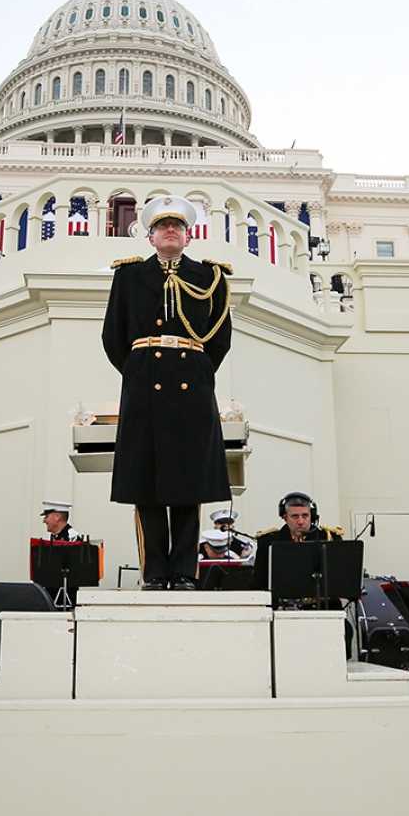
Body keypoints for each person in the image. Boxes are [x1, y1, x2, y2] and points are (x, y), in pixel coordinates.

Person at [102, 196, 234, 591]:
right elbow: (113, 336)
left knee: (188, 486)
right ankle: (155, 573)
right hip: (145, 390)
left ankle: (183, 572)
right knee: (148, 486)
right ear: (151, 237)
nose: (171, 231)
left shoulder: (211, 277)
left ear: (189, 237)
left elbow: (220, 340)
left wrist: (196, 372)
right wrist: (139, 373)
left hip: (191, 390)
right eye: (163, 227)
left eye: (178, 226)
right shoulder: (128, 277)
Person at [252, 491, 340, 593]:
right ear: (285, 518)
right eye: (295, 516)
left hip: (324, 604)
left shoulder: (328, 538)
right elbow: (258, 584)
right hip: (282, 604)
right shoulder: (268, 542)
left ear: (312, 516)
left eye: (305, 516)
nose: (301, 521)